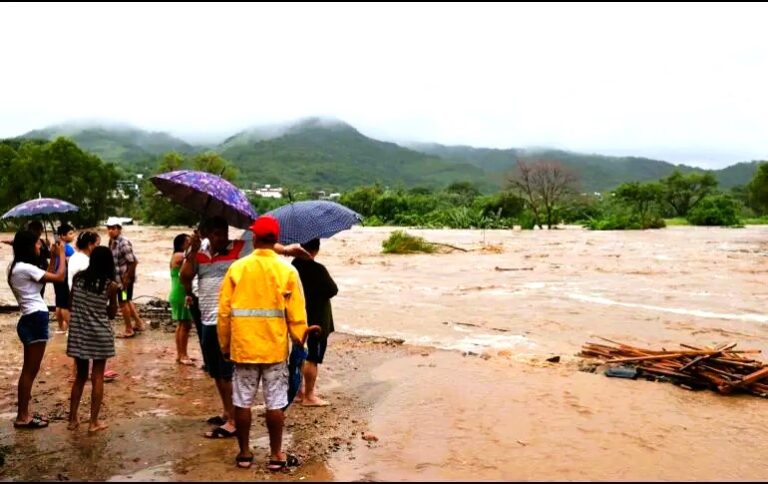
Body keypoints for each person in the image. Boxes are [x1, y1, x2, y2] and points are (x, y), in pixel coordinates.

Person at [180, 216, 311, 439]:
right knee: (216, 372)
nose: (219, 237)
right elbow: (185, 278)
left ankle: (233, 421)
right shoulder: (198, 253)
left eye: (222, 232)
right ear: (207, 235)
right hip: (207, 318)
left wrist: (287, 250)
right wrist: (191, 251)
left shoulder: (239, 251)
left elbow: (265, 246)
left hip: (231, 322)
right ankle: (227, 412)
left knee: (229, 375)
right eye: (214, 233)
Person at [218, 215, 319, 470]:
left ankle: (244, 453)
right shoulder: (288, 271)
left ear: (254, 238)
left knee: (242, 401)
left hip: (243, 348)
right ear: (276, 239)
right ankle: (275, 455)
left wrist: (225, 345)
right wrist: (300, 339)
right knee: (275, 403)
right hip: (274, 350)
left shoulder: (237, 268)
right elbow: (297, 314)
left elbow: (224, 313)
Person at [8, 230, 67, 429]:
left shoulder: (16, 267)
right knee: (29, 371)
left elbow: (46, 277)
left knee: (29, 370)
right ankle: (22, 416)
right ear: (28, 246)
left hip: (30, 318)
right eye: (37, 244)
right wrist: (60, 255)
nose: (39, 247)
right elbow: (59, 277)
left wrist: (52, 257)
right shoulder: (25, 268)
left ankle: (24, 414)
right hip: (34, 319)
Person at [66, 246, 119, 433]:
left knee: (80, 377)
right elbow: (112, 314)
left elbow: (71, 302)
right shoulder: (110, 285)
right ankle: (93, 422)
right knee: (97, 377)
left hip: (79, 333)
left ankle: (72, 420)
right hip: (100, 334)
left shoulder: (78, 278)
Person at [292, 238, 337, 407]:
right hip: (317, 319)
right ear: (316, 249)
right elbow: (333, 290)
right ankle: (309, 396)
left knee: (299, 355)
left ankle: (298, 392)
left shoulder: (293, 266)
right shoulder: (317, 269)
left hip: (299, 317)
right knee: (313, 357)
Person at [106, 217, 146, 338]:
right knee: (127, 300)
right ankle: (139, 323)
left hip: (124, 281)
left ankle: (129, 329)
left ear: (119, 229)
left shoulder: (123, 243)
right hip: (118, 280)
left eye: (113, 228)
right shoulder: (112, 242)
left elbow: (133, 262)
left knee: (123, 302)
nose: (110, 231)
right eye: (108, 228)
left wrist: (127, 279)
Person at [169, 233, 195, 365]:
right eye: (188, 241)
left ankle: (180, 354)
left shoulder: (177, 255)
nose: (191, 242)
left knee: (182, 324)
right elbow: (193, 260)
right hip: (181, 293)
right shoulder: (180, 256)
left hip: (177, 292)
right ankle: (183, 354)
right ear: (182, 243)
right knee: (185, 325)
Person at [53, 223, 76, 333]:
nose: (73, 235)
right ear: (62, 235)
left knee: (58, 303)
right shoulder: (68, 248)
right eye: (70, 233)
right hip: (64, 277)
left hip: (56, 277)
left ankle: (61, 327)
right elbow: (71, 263)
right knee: (65, 305)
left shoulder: (56, 246)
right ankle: (72, 329)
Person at [26, 220, 52, 297]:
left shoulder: (42, 242)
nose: (39, 232)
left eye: (40, 229)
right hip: (33, 269)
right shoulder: (28, 243)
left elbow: (48, 255)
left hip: (43, 269)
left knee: (41, 290)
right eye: (36, 230)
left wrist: (48, 246)